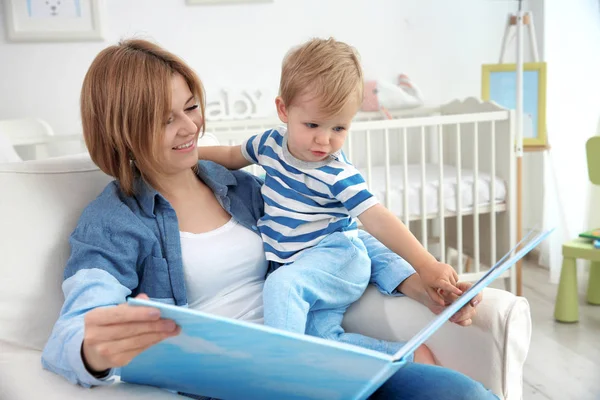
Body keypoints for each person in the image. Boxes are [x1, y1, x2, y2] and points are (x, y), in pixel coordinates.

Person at [41, 38, 497, 400]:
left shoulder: (239, 185)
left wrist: (420, 284)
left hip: (317, 358)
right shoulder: (115, 219)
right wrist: (91, 351)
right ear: (121, 128)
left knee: (463, 394)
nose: (189, 128)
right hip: (237, 381)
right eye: (165, 119)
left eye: (191, 107)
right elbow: (74, 328)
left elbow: (333, 235)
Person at [198, 37, 461, 357]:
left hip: (337, 259)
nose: (324, 139)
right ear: (283, 110)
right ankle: (402, 358)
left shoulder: (337, 173)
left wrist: (426, 264)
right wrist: (185, 156)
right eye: (312, 124)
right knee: (322, 342)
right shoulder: (267, 144)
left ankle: (279, 375)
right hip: (302, 267)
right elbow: (227, 153)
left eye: (339, 128)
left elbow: (378, 218)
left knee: (281, 286)